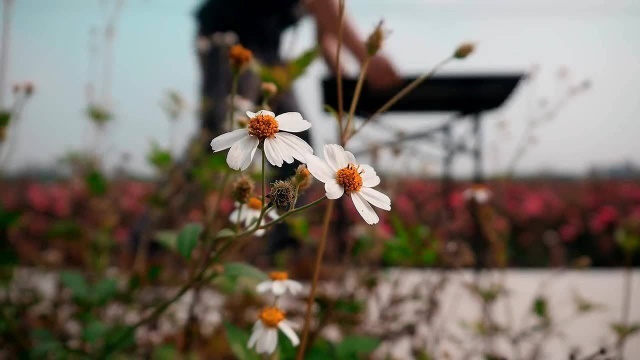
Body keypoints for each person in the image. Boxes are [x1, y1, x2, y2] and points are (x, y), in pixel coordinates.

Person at [194, 0, 399, 257]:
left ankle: (285, 245)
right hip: (228, 39)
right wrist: (365, 58)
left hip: (268, 50)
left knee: (295, 141)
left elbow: (325, 34)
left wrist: (348, 90)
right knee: (217, 135)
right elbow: (326, 6)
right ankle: (155, 238)